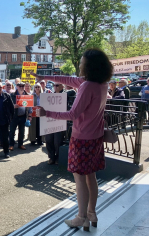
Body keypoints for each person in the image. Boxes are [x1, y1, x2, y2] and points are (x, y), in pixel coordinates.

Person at [33, 48, 113, 230]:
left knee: (79, 179)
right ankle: (92, 213)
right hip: (96, 137)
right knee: (91, 176)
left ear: (89, 65)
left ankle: (80, 217)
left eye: (82, 61)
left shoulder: (86, 86)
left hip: (82, 138)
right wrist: (45, 77)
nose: (80, 64)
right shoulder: (102, 84)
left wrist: (47, 113)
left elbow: (73, 114)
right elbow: (69, 80)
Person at [43, 83, 66, 165]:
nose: (55, 87)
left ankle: (58, 157)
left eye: (57, 85)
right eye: (54, 86)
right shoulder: (51, 96)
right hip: (50, 121)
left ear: (62, 86)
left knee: (57, 141)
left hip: (59, 122)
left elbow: (73, 93)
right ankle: (51, 157)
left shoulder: (65, 94)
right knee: (48, 139)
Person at [0, 82, 14, 158]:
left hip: (4, 120)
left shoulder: (7, 96)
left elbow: (12, 108)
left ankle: (6, 152)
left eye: (0, 87)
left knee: (5, 138)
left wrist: (10, 118)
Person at [9, 82, 32, 151]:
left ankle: (20, 144)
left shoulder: (27, 95)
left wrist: (30, 116)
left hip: (23, 116)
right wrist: (13, 106)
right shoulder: (12, 95)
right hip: (14, 116)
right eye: (20, 86)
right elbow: (8, 106)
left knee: (22, 131)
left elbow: (30, 107)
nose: (21, 87)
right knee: (12, 131)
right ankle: (11, 145)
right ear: (17, 86)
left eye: (23, 86)